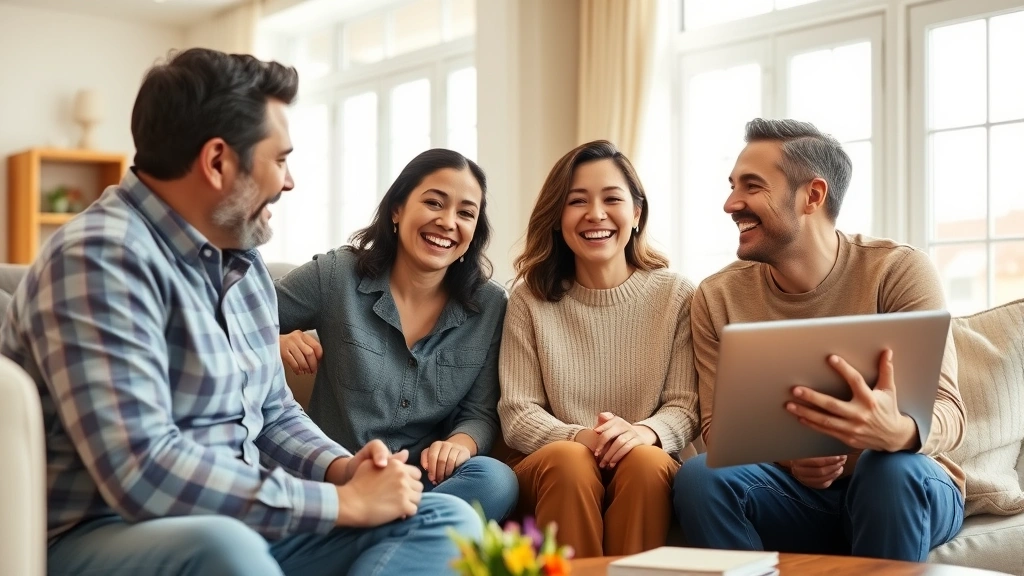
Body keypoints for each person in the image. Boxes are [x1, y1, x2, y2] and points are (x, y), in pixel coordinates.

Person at [0, 48, 480, 576]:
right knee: (227, 550)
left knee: (447, 520)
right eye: (280, 160)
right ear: (217, 162)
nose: (289, 181)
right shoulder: (99, 260)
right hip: (106, 532)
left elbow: (273, 411)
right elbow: (142, 469)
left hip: (243, 520)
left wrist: (342, 470)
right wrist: (339, 503)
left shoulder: (243, 259)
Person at [672, 118, 965, 562]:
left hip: (904, 484)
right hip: (796, 497)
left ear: (812, 195)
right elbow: (720, 431)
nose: (731, 203)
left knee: (887, 468)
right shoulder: (717, 296)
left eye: (752, 186)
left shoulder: (897, 270)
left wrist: (897, 431)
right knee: (700, 477)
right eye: (733, 186)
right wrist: (790, 460)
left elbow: (950, 412)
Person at [275, 148, 518, 522]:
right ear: (396, 209)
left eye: (466, 213)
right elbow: (234, 317)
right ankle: (397, 529)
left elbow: (479, 413)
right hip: (337, 479)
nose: (448, 222)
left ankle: (379, 528)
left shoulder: (490, 305)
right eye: (434, 203)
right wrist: (273, 340)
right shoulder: (338, 274)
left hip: (422, 483)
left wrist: (460, 443)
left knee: (496, 480)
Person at [498, 140, 700, 558]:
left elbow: (684, 407)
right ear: (557, 218)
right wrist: (584, 438)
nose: (595, 214)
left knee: (644, 461)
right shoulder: (528, 299)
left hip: (646, 457)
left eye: (612, 199)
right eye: (577, 201)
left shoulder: (676, 295)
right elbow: (518, 412)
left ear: (637, 213)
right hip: (557, 464)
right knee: (572, 461)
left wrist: (643, 433)